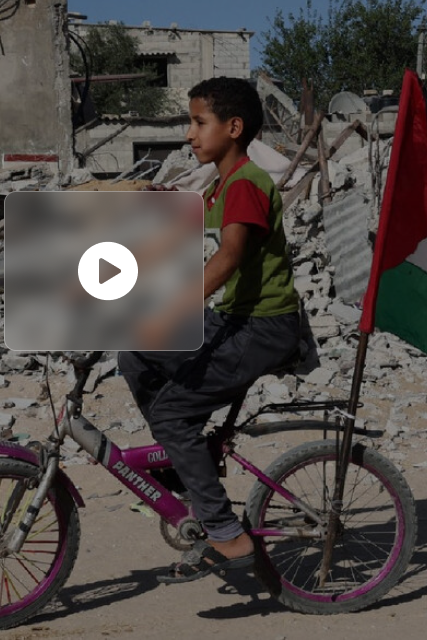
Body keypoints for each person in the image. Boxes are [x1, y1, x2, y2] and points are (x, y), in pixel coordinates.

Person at [117, 76, 302, 584]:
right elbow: (190, 227)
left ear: (234, 127)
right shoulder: (226, 181)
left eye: (199, 123)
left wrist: (172, 306)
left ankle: (225, 532)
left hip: (263, 327)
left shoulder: (245, 184)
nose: (188, 134)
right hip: (238, 317)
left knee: (175, 411)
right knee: (135, 353)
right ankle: (185, 464)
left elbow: (228, 257)